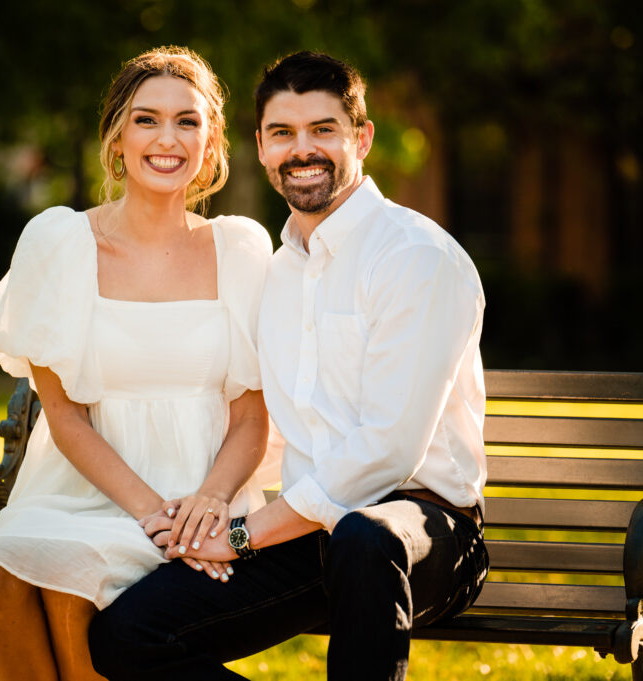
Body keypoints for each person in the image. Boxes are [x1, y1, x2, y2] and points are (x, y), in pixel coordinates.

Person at [89, 51, 489, 681]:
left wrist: (244, 535)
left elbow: (388, 451)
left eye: (323, 130)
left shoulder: (416, 258)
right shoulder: (275, 275)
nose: (303, 150)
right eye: (283, 133)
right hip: (311, 533)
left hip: (425, 533)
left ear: (362, 138)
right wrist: (205, 510)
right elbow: (261, 422)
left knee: (364, 536)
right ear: (260, 147)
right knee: (127, 635)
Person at [0, 46, 274, 681]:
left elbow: (252, 415)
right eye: (146, 119)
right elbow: (64, 415)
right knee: (1, 572)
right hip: (84, 491)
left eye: (188, 121)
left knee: (69, 586)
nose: (168, 138)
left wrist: (204, 505)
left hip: (203, 495)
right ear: (116, 139)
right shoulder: (60, 244)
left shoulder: (240, 249)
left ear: (211, 142)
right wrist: (151, 515)